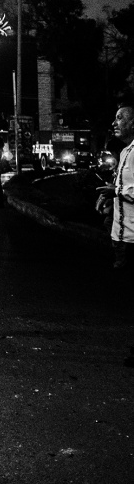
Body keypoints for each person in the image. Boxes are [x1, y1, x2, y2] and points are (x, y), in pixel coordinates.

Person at [96, 105, 134, 366]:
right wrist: (108, 194)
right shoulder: (125, 152)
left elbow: (127, 190)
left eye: (120, 118)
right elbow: (122, 186)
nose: (115, 122)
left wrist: (116, 192)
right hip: (122, 235)